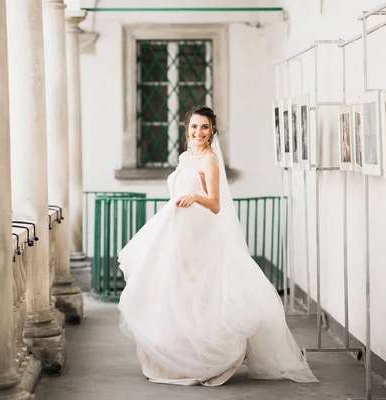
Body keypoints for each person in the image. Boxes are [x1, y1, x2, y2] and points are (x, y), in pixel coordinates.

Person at [117, 105, 318, 386]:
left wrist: (194, 197)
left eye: (205, 127)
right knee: (174, 292)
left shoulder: (210, 160)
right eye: (194, 127)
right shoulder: (185, 156)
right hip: (175, 230)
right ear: (187, 129)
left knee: (199, 293)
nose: (199, 132)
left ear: (212, 131)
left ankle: (209, 357)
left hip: (198, 232)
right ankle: (176, 358)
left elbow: (215, 204)